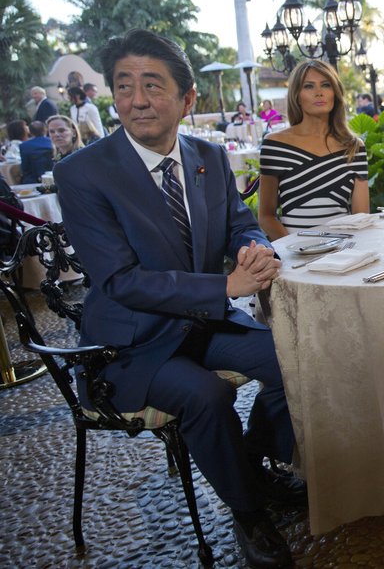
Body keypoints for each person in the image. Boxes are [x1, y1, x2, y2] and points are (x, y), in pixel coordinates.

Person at [54, 29, 302, 569]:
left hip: (202, 324)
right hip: (130, 344)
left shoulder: (209, 156)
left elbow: (242, 225)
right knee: (206, 398)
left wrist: (254, 252)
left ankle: (254, 458)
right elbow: (119, 281)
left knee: (296, 356)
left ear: (187, 99)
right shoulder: (81, 173)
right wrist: (226, 287)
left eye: (152, 85)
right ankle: (249, 514)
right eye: (124, 86)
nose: (137, 99)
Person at [258, 60, 368, 241]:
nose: (319, 92)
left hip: (343, 254)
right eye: (309, 86)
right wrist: (293, 250)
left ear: (335, 93)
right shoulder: (275, 144)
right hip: (294, 256)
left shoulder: (354, 147)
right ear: (297, 96)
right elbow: (266, 216)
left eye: (326, 85)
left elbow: (361, 216)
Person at [15, 119, 54, 183]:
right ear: (46, 130)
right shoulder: (53, 142)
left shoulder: (24, 146)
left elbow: (25, 168)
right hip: (53, 177)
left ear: (30, 132)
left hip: (32, 180)